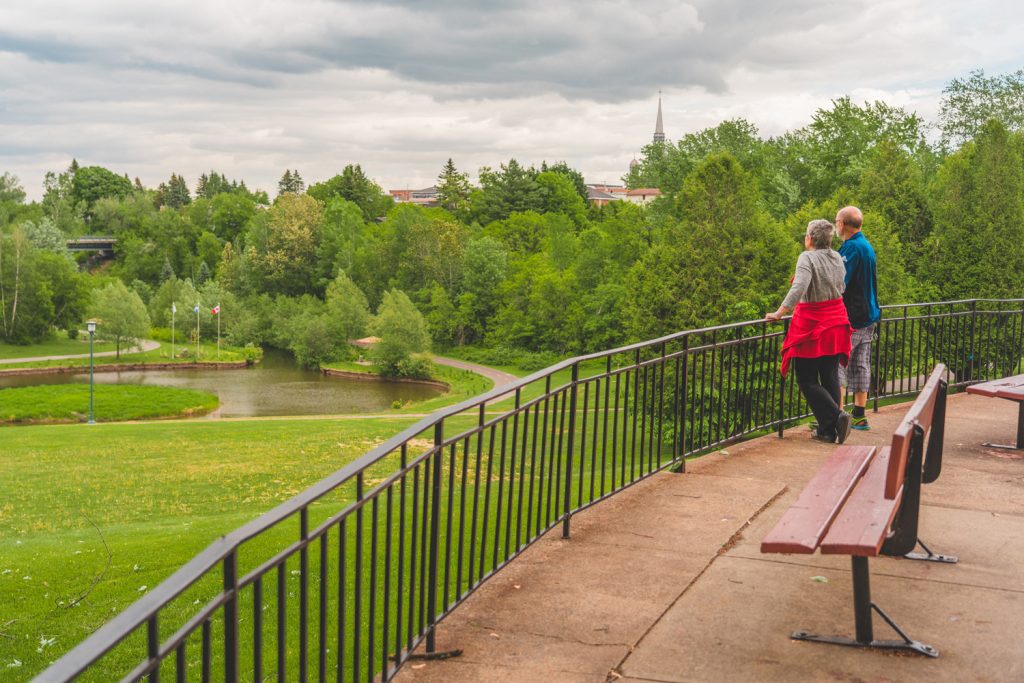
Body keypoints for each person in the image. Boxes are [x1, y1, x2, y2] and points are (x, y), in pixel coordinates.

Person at [767, 219, 853, 444]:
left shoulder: (807, 258)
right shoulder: (836, 257)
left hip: (812, 325)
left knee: (805, 378)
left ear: (810, 239)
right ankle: (828, 431)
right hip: (836, 322)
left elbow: (799, 286)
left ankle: (836, 417)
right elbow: (842, 287)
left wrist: (779, 313)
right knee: (829, 375)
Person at [836, 206, 881, 430]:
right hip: (869, 314)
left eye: (837, 221)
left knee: (839, 364)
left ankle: (838, 417)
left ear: (843, 224)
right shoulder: (866, 246)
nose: (836, 225)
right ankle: (860, 416)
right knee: (861, 363)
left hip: (853, 316)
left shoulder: (852, 248)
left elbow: (840, 282)